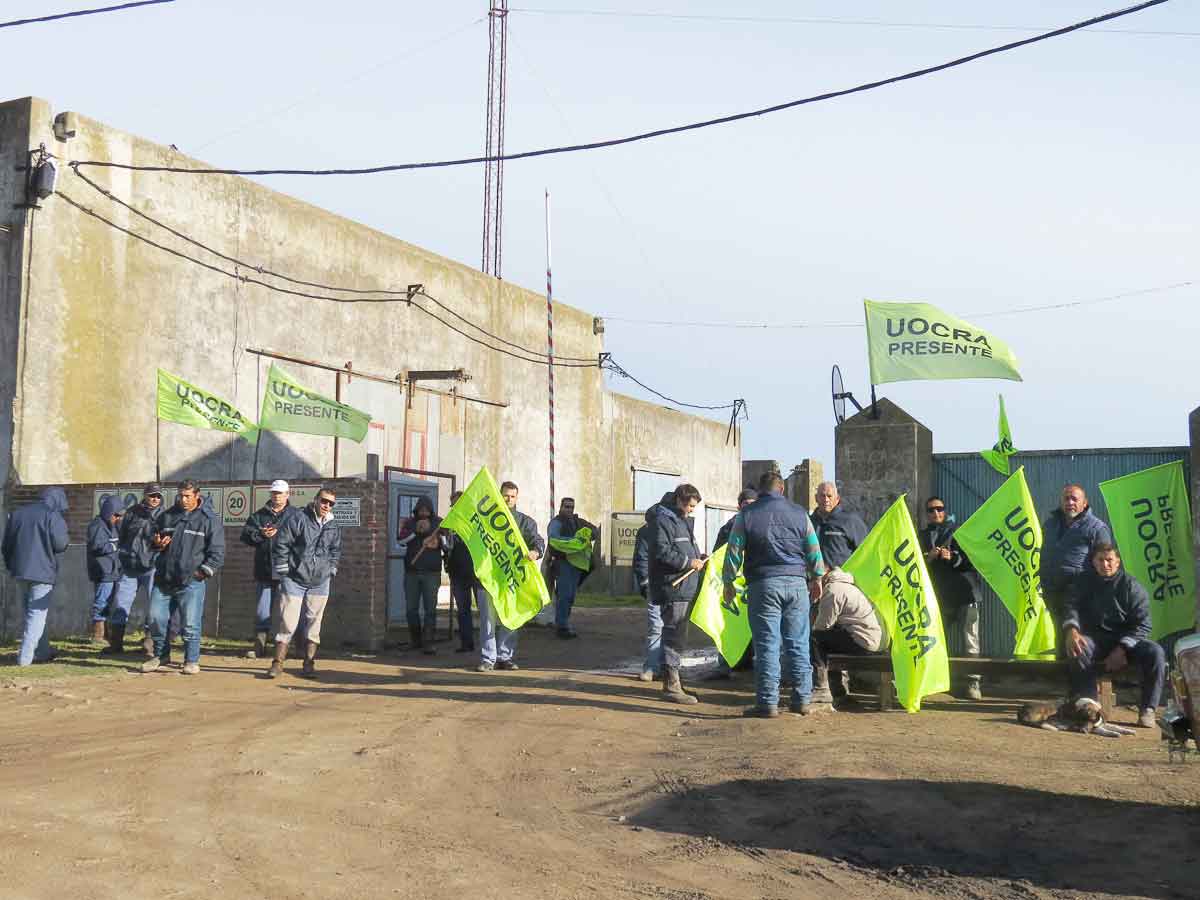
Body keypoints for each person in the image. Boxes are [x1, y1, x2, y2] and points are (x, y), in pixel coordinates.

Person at [723, 472, 826, 718]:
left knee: (767, 645)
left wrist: (728, 581)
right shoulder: (800, 514)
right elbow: (813, 549)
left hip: (763, 585)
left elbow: (734, 550)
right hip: (797, 585)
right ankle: (802, 700)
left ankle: (767, 704)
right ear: (782, 490)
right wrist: (818, 577)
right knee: (798, 643)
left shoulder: (746, 515)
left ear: (760, 491)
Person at [1062, 543, 1165, 729]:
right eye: (1100, 560)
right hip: (1094, 640)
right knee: (1078, 646)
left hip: (1127, 643)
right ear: (1093, 562)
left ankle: (1148, 709)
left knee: (1155, 652)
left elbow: (1143, 624)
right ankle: (1089, 708)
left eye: (1109, 560)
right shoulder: (1082, 583)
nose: (1105, 564)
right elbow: (1071, 607)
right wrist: (1071, 630)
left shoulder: (1131, 586)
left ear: (1117, 562)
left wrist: (1122, 649)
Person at [140, 481, 225, 675]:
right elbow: (153, 539)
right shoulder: (168, 516)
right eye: (180, 495)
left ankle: (191, 660)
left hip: (191, 581)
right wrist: (157, 544)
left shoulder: (209, 519)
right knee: (155, 618)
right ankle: (160, 656)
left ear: (197, 495)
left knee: (190, 624)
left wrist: (201, 573)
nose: (183, 500)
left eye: (187, 496)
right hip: (164, 579)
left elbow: (217, 552)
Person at [268, 487, 342, 679]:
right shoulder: (299, 518)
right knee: (288, 622)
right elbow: (282, 543)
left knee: (314, 625)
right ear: (316, 500)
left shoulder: (333, 525)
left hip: (320, 581)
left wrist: (331, 569)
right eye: (324, 501)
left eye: (331, 503)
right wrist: (283, 569)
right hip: (295, 579)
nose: (327, 505)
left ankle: (309, 664)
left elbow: (335, 549)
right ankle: (277, 663)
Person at [920, 496, 984, 701]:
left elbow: (975, 560)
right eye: (931, 510)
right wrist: (927, 559)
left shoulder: (960, 532)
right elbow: (914, 564)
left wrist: (953, 558)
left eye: (939, 508)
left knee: (970, 641)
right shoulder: (921, 535)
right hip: (938, 597)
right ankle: (937, 683)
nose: (936, 513)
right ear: (926, 514)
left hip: (966, 594)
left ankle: (973, 684)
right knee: (936, 641)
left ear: (945, 511)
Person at [477, 481, 543, 672]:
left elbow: (537, 541)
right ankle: (487, 659)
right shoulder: (486, 519)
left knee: (512, 618)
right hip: (489, 578)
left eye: (512, 496)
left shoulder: (525, 522)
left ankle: (504, 657)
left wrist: (535, 552)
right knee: (487, 620)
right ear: (499, 495)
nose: (508, 499)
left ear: (517, 497)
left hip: (512, 579)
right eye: (505, 495)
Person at [649, 484, 706, 704]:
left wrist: (698, 556)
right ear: (679, 500)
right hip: (673, 587)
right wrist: (688, 561)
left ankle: (673, 680)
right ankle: (671, 685)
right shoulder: (663, 521)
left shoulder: (680, 520)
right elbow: (663, 552)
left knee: (678, 635)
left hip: (683, 587)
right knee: (674, 634)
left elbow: (680, 548)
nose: (692, 510)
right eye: (690, 506)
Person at [2, 488, 69, 666]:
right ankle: (25, 658)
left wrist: (11, 566)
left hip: (20, 571)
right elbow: (61, 544)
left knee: (30, 614)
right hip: (43, 572)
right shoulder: (52, 516)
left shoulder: (17, 514)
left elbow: (6, 545)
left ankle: (42, 651)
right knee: (37, 614)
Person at [703, 488, 759, 682]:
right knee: (729, 626)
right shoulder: (728, 528)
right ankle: (725, 664)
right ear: (739, 506)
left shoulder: (763, 524)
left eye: (753, 504)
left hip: (755, 583)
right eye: (746, 505)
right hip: (733, 586)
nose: (749, 508)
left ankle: (752, 663)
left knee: (757, 627)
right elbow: (718, 555)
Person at [811, 568, 887, 705]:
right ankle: (838, 693)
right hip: (877, 641)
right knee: (830, 639)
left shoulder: (832, 590)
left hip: (865, 642)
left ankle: (821, 688)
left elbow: (822, 626)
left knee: (815, 639)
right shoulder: (850, 585)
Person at [1042, 484, 1112, 630]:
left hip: (1081, 600)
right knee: (1061, 644)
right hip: (1054, 597)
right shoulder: (1049, 525)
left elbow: (1106, 567)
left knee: (1079, 646)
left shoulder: (1097, 528)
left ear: (1084, 503)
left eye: (1074, 499)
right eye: (1066, 499)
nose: (1070, 503)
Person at [239, 480, 296, 659]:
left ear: (288, 494)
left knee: (286, 612)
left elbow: (303, 538)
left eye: (280, 493)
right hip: (264, 570)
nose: (276, 496)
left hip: (287, 572)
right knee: (262, 611)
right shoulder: (259, 516)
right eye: (274, 493)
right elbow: (246, 536)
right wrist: (261, 534)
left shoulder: (296, 516)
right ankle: (259, 646)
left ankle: (285, 648)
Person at [113, 485, 166, 656]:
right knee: (121, 603)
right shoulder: (131, 512)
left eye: (158, 496)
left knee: (154, 606)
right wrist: (122, 554)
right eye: (152, 495)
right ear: (145, 495)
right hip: (129, 567)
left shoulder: (165, 515)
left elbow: (168, 541)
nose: (155, 499)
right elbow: (121, 536)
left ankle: (149, 644)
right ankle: (115, 644)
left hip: (152, 566)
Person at [398, 497, 445, 655]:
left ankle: (429, 643)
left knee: (430, 609)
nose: (424, 512)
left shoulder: (439, 523)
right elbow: (401, 541)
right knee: (411, 609)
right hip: (412, 572)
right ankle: (415, 641)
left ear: (431, 510)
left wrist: (439, 540)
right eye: (421, 509)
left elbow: (448, 545)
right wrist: (416, 533)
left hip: (432, 573)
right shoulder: (409, 523)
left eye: (427, 509)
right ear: (417, 510)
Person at [547, 497, 598, 639]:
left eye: (571, 507)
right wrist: (576, 542)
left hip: (577, 565)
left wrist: (586, 535)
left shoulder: (578, 522)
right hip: (562, 563)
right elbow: (554, 539)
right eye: (567, 507)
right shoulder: (556, 522)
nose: (569, 509)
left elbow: (594, 530)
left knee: (569, 596)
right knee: (564, 596)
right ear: (561, 507)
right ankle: (562, 626)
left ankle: (563, 623)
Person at [633, 495, 667, 683]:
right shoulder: (648, 530)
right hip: (656, 584)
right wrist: (645, 582)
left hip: (677, 586)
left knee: (671, 628)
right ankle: (652, 667)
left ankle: (666, 668)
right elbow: (642, 557)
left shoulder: (682, 524)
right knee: (657, 626)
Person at [444, 490, 480, 654]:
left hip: (477, 572)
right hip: (457, 572)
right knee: (463, 610)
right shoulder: (449, 524)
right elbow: (447, 547)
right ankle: (467, 644)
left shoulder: (476, 521)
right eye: (453, 504)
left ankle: (490, 646)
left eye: (459, 503)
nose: (455, 507)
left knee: (484, 609)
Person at [87, 496, 123, 648]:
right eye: (115, 515)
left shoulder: (113, 526)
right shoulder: (97, 526)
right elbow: (97, 546)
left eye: (120, 515)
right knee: (101, 601)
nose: (117, 518)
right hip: (103, 570)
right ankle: (98, 634)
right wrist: (115, 547)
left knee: (109, 602)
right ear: (108, 512)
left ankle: (106, 634)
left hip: (113, 570)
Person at [810, 481, 868, 569]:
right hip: (812, 578)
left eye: (829, 496)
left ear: (837, 499)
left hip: (840, 577)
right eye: (822, 496)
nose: (826, 500)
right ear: (816, 498)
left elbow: (865, 551)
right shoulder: (808, 522)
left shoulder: (850, 521)